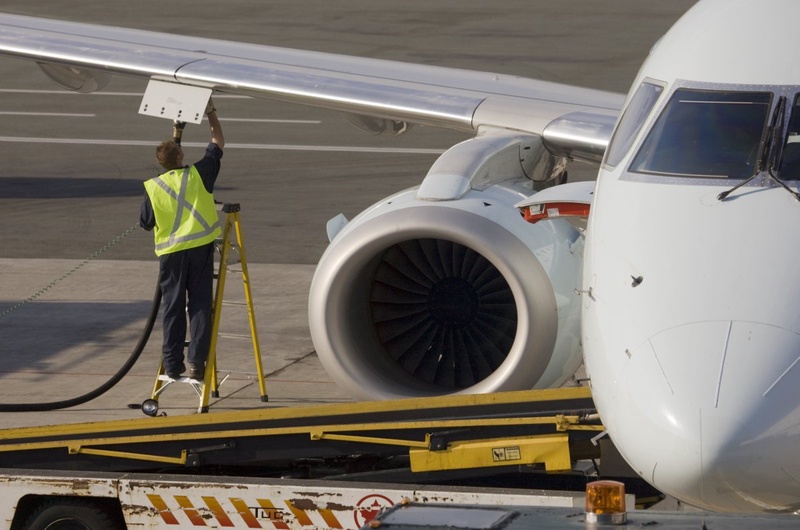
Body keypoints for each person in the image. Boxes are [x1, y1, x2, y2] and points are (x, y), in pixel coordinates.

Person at [139, 99, 225, 381]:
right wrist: (211, 113)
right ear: (181, 156)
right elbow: (217, 142)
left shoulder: (154, 187)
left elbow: (146, 222)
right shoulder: (199, 175)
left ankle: (172, 364)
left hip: (172, 255)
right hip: (200, 250)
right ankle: (197, 363)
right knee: (200, 306)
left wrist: (176, 131)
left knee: (172, 309)